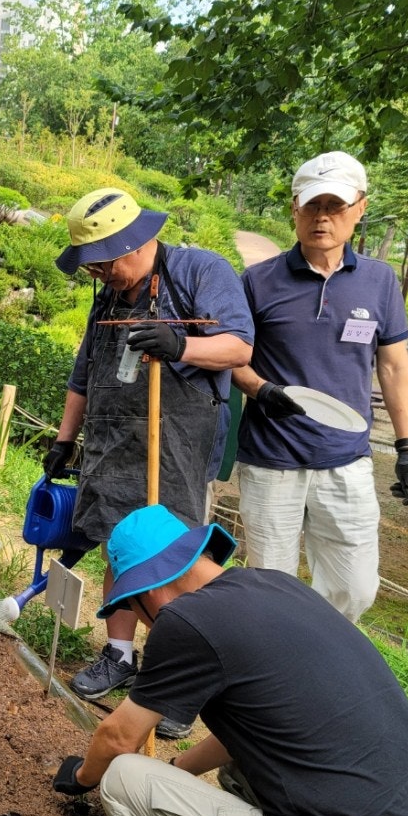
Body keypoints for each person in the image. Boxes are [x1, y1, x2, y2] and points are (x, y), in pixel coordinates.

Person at [52, 504, 408, 816]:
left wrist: (82, 776)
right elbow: (254, 726)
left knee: (124, 781)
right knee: (236, 768)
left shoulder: (186, 621)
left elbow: (118, 736)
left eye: (133, 607)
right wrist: (177, 771)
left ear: (150, 594)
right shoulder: (274, 585)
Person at [46, 188, 253, 726]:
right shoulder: (108, 296)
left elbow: (238, 347)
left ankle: (179, 684)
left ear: (134, 244)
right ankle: (118, 655)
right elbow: (84, 371)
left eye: (102, 265)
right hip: (114, 437)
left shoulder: (200, 271)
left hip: (179, 438)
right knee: (119, 542)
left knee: (176, 555)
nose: (99, 277)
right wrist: (65, 439)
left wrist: (180, 346)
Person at [232, 152, 408, 623]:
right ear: (294, 208)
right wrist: (262, 390)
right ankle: (273, 676)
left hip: (347, 460)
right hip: (271, 460)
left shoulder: (380, 282)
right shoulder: (257, 282)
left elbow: (395, 368)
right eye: (312, 205)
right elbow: (231, 358)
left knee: (354, 587)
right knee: (268, 589)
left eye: (335, 206)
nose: (323, 217)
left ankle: (318, 658)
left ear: (359, 208)